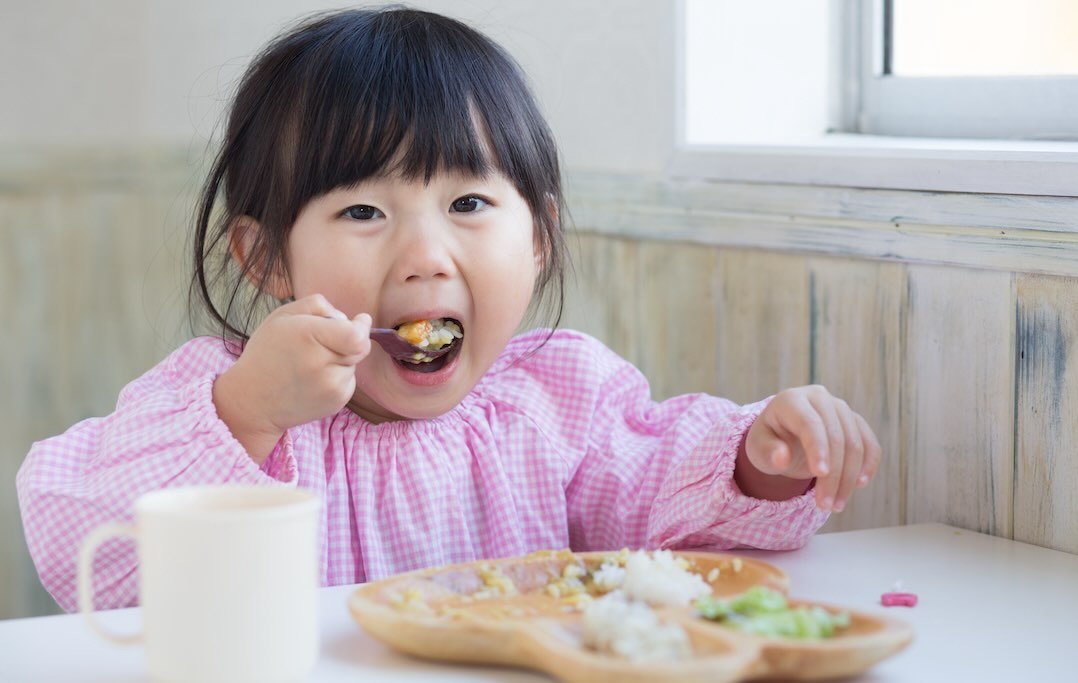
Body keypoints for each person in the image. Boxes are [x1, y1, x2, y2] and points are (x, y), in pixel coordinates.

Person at [17, 7, 880, 612]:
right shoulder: (226, 399)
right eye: (363, 212)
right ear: (266, 256)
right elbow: (85, 553)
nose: (426, 255)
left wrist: (762, 458)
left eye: (469, 204)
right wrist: (246, 412)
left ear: (537, 238)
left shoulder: (554, 402)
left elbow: (668, 498)